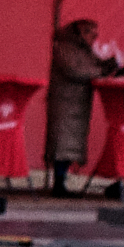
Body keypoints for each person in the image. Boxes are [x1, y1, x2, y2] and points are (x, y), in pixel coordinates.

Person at [47, 17, 107, 193]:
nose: (94, 38)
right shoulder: (63, 47)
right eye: (91, 33)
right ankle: (58, 183)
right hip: (63, 104)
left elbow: (95, 65)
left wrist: (109, 65)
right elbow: (75, 70)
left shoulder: (84, 50)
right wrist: (101, 71)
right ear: (80, 32)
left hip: (78, 105)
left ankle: (62, 181)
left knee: (71, 145)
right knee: (62, 144)